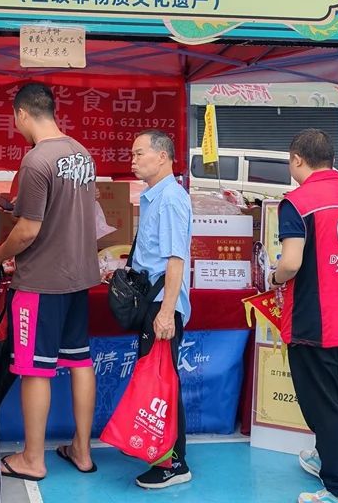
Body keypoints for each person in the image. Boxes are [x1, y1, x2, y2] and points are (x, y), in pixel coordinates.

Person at [0, 83, 99, 482]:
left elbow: (29, 231)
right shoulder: (81, 153)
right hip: (79, 277)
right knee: (80, 361)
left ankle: (33, 459)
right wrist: (18, 207)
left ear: (21, 114)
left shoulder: (35, 161)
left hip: (41, 282)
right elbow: (65, 207)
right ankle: (82, 451)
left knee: (35, 368)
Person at [271, 129, 338, 503]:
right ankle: (325, 456)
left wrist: (274, 276)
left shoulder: (297, 203)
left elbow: (291, 263)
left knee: (322, 404)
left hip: (313, 319)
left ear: (297, 159)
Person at [127, 130, 192, 489]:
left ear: (163, 157)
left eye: (139, 154)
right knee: (158, 380)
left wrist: (166, 312)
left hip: (161, 304)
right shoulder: (156, 197)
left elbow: (175, 260)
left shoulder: (169, 199)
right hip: (155, 301)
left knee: (163, 382)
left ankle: (174, 462)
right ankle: (161, 452)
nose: (133, 161)